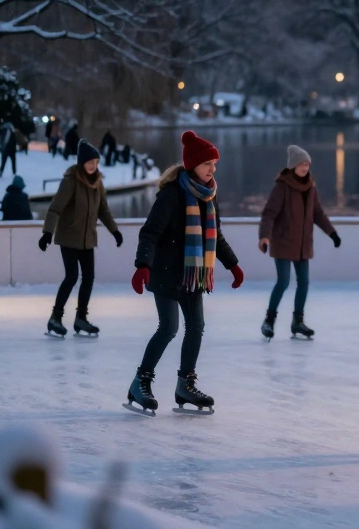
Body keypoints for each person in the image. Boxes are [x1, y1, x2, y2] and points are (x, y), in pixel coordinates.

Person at [125, 131, 243, 416]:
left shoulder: (209, 197)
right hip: (166, 272)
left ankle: (184, 385)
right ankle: (140, 383)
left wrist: (233, 265)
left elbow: (217, 238)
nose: (212, 169)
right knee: (168, 328)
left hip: (194, 275)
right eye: (207, 164)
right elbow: (150, 233)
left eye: (214, 164)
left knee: (196, 327)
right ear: (193, 165)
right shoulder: (171, 195)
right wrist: (143, 265)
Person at [39, 141, 121, 338]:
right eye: (90, 162)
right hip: (68, 237)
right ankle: (55, 317)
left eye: (96, 161)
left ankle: (80, 319)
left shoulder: (98, 183)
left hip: (87, 239)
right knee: (71, 277)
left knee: (89, 278)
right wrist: (47, 233)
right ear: (81, 162)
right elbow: (55, 208)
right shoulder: (70, 181)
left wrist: (115, 231)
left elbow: (103, 210)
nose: (93, 165)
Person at [257, 145, 340, 340]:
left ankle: (298, 322)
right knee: (283, 282)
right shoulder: (282, 186)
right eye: (301, 164)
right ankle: (268, 321)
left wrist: (332, 233)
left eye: (307, 164)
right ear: (293, 165)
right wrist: (264, 236)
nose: (305, 167)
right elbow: (269, 213)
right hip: (283, 242)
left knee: (304, 283)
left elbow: (317, 213)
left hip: (303, 244)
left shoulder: (310, 186)